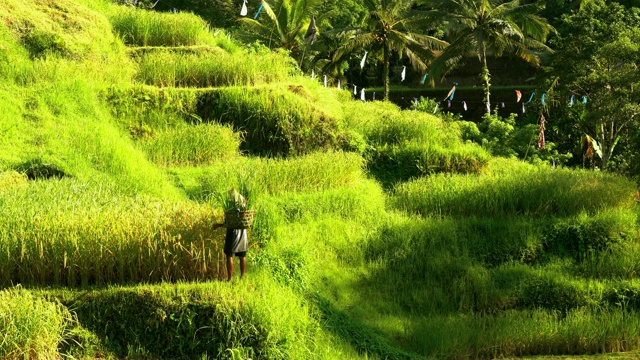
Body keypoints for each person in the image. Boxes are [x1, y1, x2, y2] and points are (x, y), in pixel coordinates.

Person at [214, 189, 249, 281]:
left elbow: (228, 223)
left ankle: (229, 278)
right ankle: (242, 277)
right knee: (242, 255)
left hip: (233, 233)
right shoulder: (243, 206)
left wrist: (218, 225)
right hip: (243, 233)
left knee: (229, 255)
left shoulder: (231, 207)